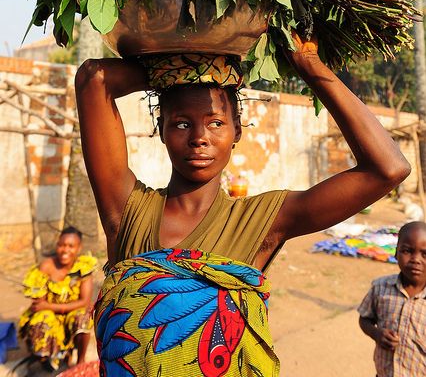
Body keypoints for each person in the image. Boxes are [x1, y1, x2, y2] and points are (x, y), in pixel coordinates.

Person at [75, 37, 411, 376]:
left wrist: (308, 63)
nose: (199, 137)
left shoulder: (262, 221)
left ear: (237, 130)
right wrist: (196, 66)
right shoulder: (128, 210)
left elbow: (388, 169)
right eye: (180, 123)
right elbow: (94, 78)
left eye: (216, 122)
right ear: (160, 129)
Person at [19, 226, 97, 371]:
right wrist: (48, 308)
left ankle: (80, 363)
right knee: (41, 318)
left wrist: (50, 306)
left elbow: (84, 301)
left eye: (71, 246)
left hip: (71, 314)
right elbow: (39, 304)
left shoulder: (83, 268)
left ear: (79, 248)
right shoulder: (47, 266)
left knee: (83, 315)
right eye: (61, 245)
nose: (65, 250)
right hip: (52, 317)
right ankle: (49, 356)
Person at [358, 221, 426, 376]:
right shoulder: (380, 288)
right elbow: (364, 319)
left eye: (425, 254)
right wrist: (377, 334)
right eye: (407, 251)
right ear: (396, 253)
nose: (416, 259)